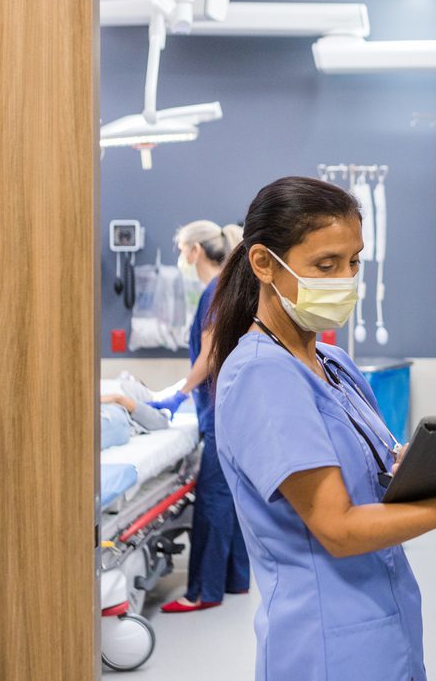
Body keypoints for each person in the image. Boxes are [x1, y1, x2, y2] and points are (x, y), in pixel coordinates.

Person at [209, 176, 436, 681]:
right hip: (325, 647)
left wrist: (416, 468)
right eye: (326, 266)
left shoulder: (332, 362)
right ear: (264, 264)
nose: (345, 279)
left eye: (353, 262)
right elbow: (341, 529)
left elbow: (369, 474)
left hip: (385, 633)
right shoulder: (263, 376)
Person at [152, 220, 251, 613]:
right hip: (228, 407)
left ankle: (202, 592)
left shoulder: (215, 291)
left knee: (212, 498)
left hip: (219, 410)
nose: (181, 257)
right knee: (230, 495)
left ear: (195, 250)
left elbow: (210, 357)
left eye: (181, 249)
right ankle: (234, 578)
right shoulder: (225, 288)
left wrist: (178, 392)